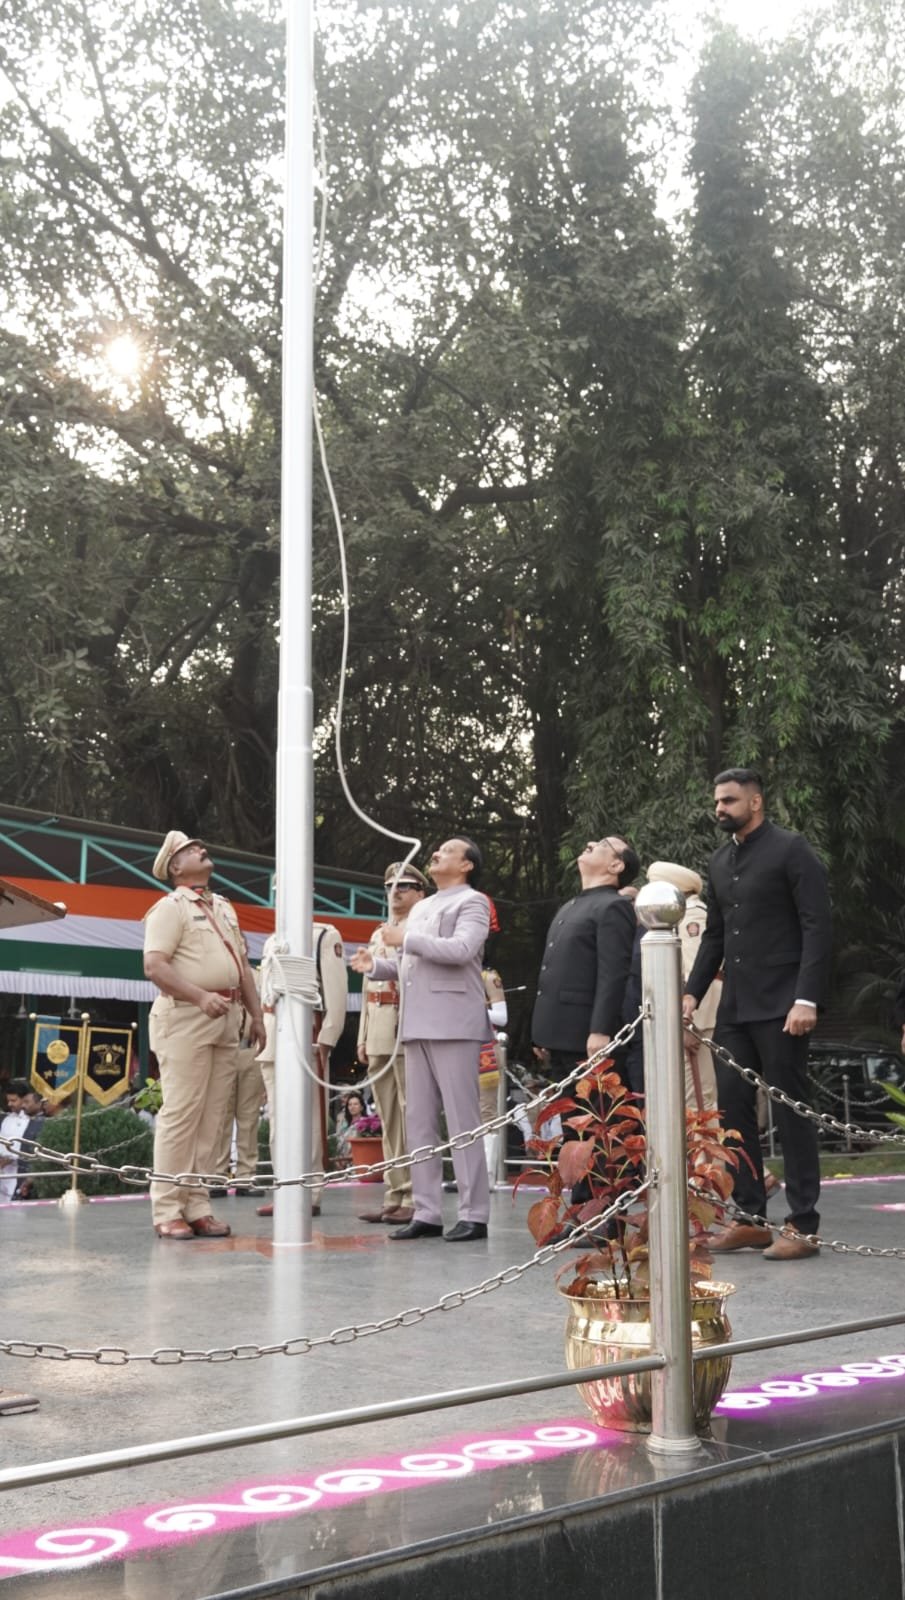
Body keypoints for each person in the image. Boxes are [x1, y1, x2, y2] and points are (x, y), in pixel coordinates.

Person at [683, 768, 832, 1261]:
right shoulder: (719, 860)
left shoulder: (791, 849)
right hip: (736, 1006)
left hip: (785, 1003)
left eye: (729, 800)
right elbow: (716, 935)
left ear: (756, 802)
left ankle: (803, 1224)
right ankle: (750, 1218)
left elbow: (817, 926)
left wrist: (806, 998)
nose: (719, 808)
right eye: (717, 801)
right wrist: (691, 993)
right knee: (731, 1111)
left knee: (792, 1111)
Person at [350, 837, 491, 1242]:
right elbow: (407, 966)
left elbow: (461, 949)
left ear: (466, 865)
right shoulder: (423, 907)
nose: (436, 854)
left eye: (447, 851)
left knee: (462, 1121)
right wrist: (375, 966)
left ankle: (474, 1213)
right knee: (419, 1121)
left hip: (453, 1022)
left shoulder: (473, 902)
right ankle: (427, 1211)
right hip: (415, 1023)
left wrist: (405, 940)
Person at [143, 831, 266, 1240]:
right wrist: (199, 996)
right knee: (182, 1114)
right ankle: (167, 1208)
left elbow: (242, 967)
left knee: (213, 1118)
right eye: (188, 850)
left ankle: (197, 1205)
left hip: (226, 1017)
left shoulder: (223, 907)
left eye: (198, 846)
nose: (200, 849)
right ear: (175, 867)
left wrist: (257, 1015)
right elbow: (155, 966)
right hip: (184, 1017)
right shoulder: (169, 908)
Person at [255, 920, 348, 1217]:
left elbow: (336, 992)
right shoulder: (273, 939)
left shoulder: (322, 935)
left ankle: (309, 1192)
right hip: (274, 1034)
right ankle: (285, 1189)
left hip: (306, 1033)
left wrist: (328, 1037)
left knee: (309, 1119)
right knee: (278, 1121)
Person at [355, 863, 429, 1225]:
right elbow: (368, 988)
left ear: (420, 893)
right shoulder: (380, 932)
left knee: (411, 1114)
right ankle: (395, 1192)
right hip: (380, 1030)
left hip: (406, 1025)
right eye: (389, 886)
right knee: (387, 1117)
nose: (395, 891)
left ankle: (416, 1195)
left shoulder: (420, 930)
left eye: (404, 885)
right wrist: (363, 1036)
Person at [532, 836, 639, 1079]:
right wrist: (541, 1031)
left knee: (593, 1104)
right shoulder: (570, 906)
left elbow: (613, 973)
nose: (590, 843)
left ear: (616, 865)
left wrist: (601, 1030)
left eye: (602, 845)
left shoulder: (614, 906)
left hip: (587, 1038)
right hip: (557, 1035)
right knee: (565, 1105)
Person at [622, 862, 719, 1110]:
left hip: (694, 1017)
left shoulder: (692, 915)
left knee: (697, 1097)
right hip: (684, 1015)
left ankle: (702, 1141)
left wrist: (688, 1024)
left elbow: (694, 973)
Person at [210, 989, 265, 1198]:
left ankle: (246, 1176)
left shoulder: (258, 977)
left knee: (249, 1118)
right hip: (223, 1047)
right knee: (220, 1116)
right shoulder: (221, 973)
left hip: (250, 1048)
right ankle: (217, 1175)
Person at [13, 1088, 46, 1200]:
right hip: (22, 1175)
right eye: (23, 1102)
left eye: (27, 1102)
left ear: (39, 1103)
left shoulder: (42, 1123)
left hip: (32, 1180)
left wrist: (30, 1179)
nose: (23, 1106)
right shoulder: (30, 1120)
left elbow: (38, 1152)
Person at [0, 1080, 30, 1201]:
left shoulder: (29, 1121)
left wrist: (7, 1160)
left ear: (24, 1099)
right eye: (8, 1101)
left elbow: (24, 1148)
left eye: (13, 1100)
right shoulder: (7, 1119)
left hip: (18, 1172)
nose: (10, 1104)